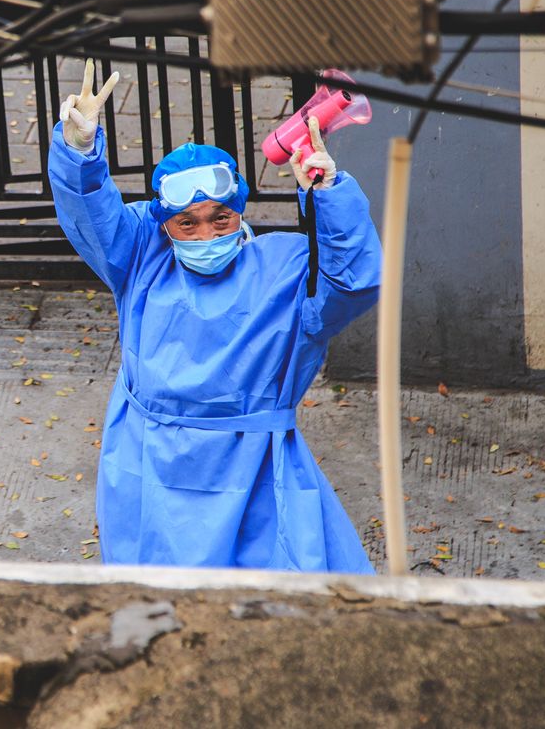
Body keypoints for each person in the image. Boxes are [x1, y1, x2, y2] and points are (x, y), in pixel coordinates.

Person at [49, 62, 381, 573]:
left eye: (220, 219)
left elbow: (352, 283)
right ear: (165, 225)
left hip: (252, 473)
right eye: (188, 223)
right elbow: (93, 218)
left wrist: (327, 193)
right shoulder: (142, 256)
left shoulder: (285, 269)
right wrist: (79, 156)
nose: (207, 235)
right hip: (150, 464)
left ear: (239, 212)